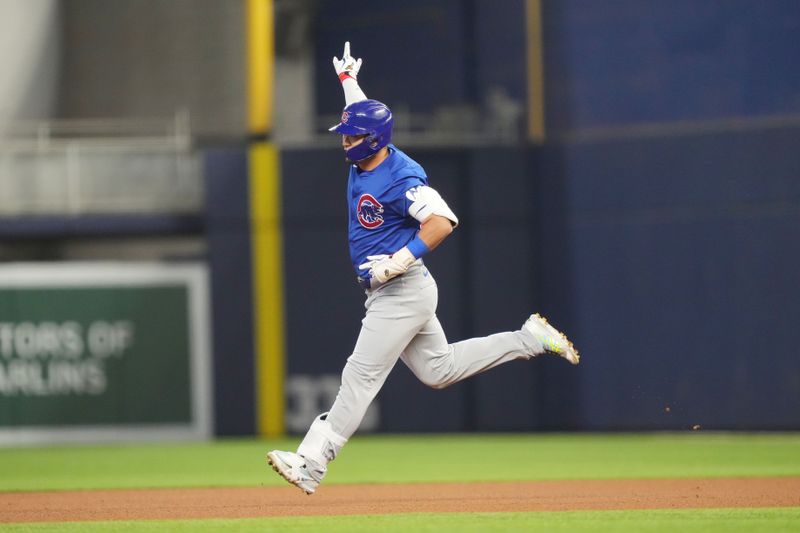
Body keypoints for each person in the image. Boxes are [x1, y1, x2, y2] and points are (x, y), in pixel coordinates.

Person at [267, 42, 579, 495]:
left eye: (351, 137)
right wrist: (349, 81)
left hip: (403, 290)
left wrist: (400, 260)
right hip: (395, 291)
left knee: (360, 375)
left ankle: (312, 463)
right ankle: (530, 338)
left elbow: (443, 220)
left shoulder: (402, 177)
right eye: (345, 134)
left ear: (372, 141)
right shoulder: (366, 153)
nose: (344, 141)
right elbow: (362, 116)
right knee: (440, 369)